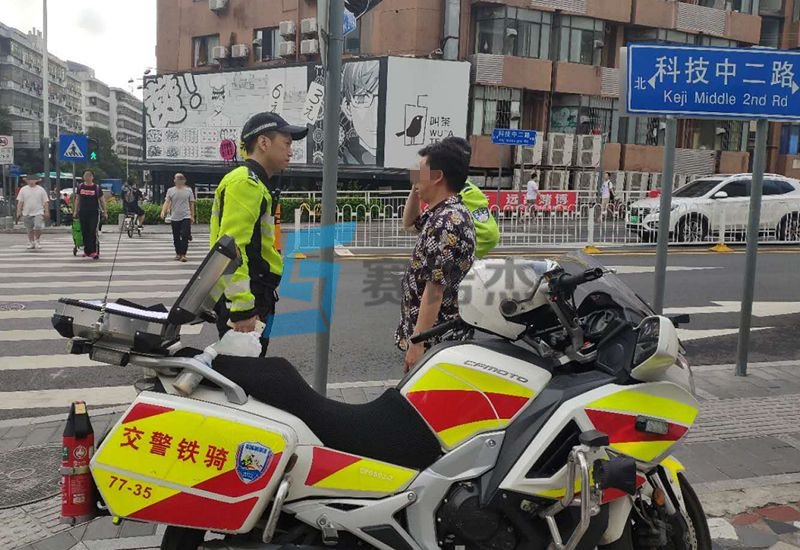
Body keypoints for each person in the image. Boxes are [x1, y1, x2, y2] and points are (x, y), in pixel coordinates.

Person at [210, 112, 308, 355]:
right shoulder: (246, 182)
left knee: (250, 367)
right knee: (244, 371)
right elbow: (231, 247)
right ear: (263, 142)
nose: (290, 152)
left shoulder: (254, 182)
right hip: (248, 296)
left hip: (256, 293)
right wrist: (242, 307)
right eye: (286, 143)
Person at [397, 140, 476, 372]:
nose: (414, 178)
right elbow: (409, 223)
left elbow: (435, 290)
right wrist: (417, 187)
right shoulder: (445, 213)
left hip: (436, 339)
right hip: (438, 336)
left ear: (437, 176)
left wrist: (417, 343)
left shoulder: (445, 223)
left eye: (419, 172)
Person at [441, 136, 499, 258]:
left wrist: (465, 253)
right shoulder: (442, 188)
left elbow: (490, 235)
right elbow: (412, 225)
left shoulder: (468, 192)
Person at [160, 173, 195, 262]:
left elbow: (191, 203)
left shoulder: (189, 190)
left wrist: (192, 216)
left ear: (184, 180)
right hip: (175, 216)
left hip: (186, 216)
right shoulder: (170, 191)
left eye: (181, 179)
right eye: (177, 179)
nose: (179, 180)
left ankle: (183, 254)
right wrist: (163, 211)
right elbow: (167, 202)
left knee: (185, 235)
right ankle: (178, 253)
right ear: (174, 180)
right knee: (176, 236)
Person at [73, 170, 107, 259]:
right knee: (84, 231)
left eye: (89, 176)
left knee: (92, 230)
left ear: (92, 177)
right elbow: (77, 199)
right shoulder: (80, 187)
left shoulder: (96, 188)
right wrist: (75, 211)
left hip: (94, 212)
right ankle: (87, 251)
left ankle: (93, 251)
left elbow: (102, 200)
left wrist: (105, 211)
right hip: (83, 212)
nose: (87, 177)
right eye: (85, 175)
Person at [15, 175, 49, 250]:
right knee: (29, 229)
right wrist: (18, 211)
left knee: (38, 226)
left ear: (36, 181)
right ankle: (31, 242)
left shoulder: (41, 190)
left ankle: (37, 240)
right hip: (27, 212)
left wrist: (46, 211)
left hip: (38, 211)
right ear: (26, 181)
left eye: (33, 180)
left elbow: (45, 201)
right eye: (29, 180)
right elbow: (20, 202)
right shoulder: (23, 189)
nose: (31, 181)